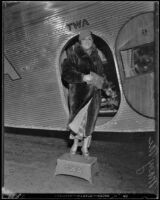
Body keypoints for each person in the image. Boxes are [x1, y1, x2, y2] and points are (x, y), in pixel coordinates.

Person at [61, 30, 108, 157]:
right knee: (78, 122)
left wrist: (104, 85)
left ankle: (85, 148)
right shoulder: (72, 54)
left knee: (90, 123)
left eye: (90, 39)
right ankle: (75, 146)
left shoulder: (96, 55)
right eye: (84, 39)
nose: (87, 41)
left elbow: (102, 74)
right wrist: (82, 77)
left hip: (95, 96)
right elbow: (66, 74)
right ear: (80, 42)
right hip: (80, 96)